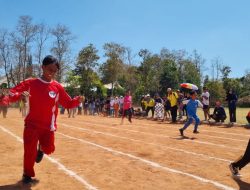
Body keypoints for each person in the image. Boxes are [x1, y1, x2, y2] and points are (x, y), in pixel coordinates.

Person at [8, 55, 83, 184]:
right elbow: (12, 93)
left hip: (48, 126)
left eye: (54, 71)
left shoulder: (57, 87)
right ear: (43, 67)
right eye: (49, 69)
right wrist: (20, 95)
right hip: (31, 124)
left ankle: (41, 149)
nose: (51, 73)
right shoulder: (31, 83)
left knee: (49, 148)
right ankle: (27, 174)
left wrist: (77, 100)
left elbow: (68, 103)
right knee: (29, 152)